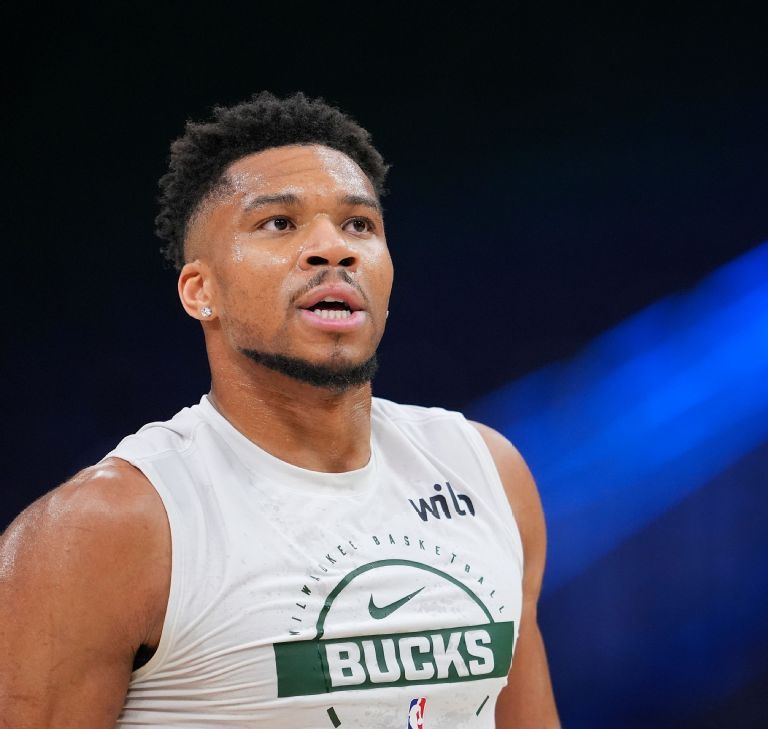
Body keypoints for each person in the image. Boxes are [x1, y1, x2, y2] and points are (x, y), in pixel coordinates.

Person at [0, 92, 560, 728]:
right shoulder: (104, 529)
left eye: (359, 225)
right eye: (278, 224)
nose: (333, 249)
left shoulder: (487, 471)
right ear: (200, 291)